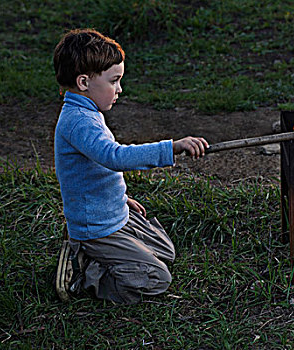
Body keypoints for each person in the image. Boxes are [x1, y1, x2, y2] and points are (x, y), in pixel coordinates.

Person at [53, 28, 208, 304]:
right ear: (84, 82)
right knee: (158, 278)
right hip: (97, 228)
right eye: (114, 81)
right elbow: (114, 157)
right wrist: (171, 147)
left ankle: (105, 254)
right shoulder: (78, 121)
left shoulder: (88, 112)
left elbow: (91, 173)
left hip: (112, 214)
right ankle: (85, 273)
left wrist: (120, 199)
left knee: (166, 251)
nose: (120, 89)